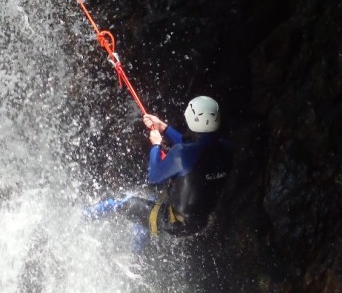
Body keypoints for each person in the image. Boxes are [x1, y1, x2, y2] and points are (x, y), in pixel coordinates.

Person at [85, 96, 233, 255]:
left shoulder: (181, 154)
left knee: (123, 202)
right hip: (199, 222)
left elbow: (154, 176)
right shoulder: (227, 149)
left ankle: (81, 220)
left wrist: (156, 145)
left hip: (173, 223)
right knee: (143, 211)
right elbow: (195, 147)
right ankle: (136, 260)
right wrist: (163, 127)